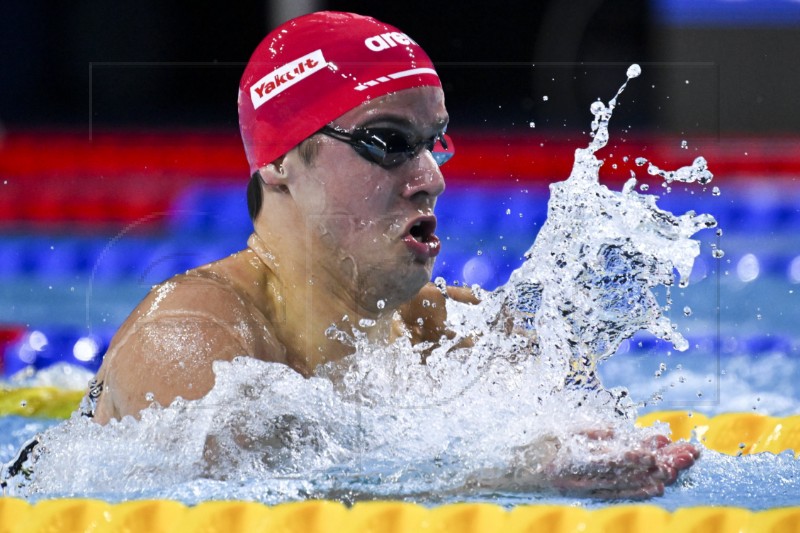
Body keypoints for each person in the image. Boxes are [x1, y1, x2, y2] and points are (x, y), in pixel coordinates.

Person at [86, 11, 697, 498]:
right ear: (278, 162)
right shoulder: (188, 336)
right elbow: (239, 500)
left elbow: (573, 413)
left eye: (434, 143)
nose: (430, 176)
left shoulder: (448, 331)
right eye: (389, 143)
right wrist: (507, 475)